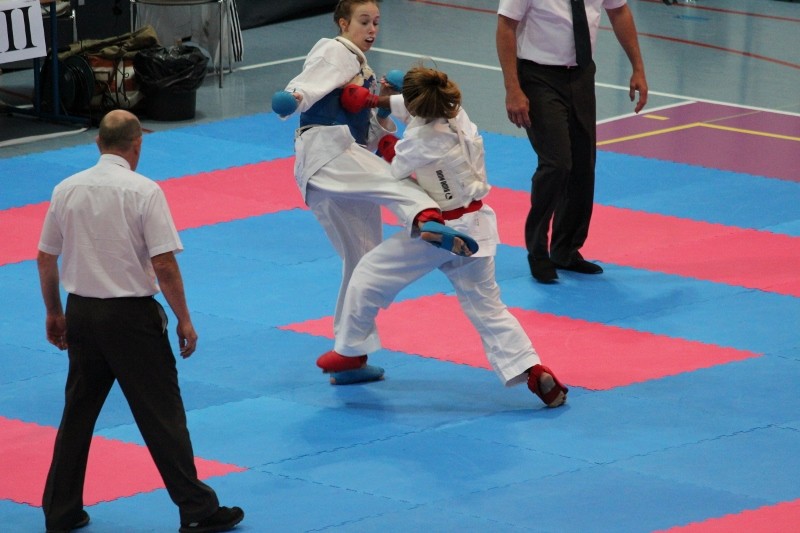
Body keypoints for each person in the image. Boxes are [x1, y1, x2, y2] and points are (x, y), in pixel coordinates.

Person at [37, 110, 244, 533]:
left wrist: (54, 312)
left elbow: (45, 257)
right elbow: (164, 263)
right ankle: (197, 509)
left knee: (78, 413)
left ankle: (60, 511)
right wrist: (184, 318)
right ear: (138, 144)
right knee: (161, 414)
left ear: (98, 143)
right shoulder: (144, 191)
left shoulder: (65, 188)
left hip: (82, 313)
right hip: (131, 319)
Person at [327, 66, 568, 407]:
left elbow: (396, 165)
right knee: (489, 310)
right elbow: (415, 107)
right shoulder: (456, 112)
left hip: (442, 229)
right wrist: (375, 101)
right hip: (479, 225)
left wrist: (378, 132)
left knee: (368, 273)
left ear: (414, 103)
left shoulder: (422, 140)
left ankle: (349, 351)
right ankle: (535, 372)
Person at [271, 0, 476, 382]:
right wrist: (294, 97)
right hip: (329, 151)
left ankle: (351, 353)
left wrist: (379, 107)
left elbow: (368, 135)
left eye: (377, 23)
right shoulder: (337, 50)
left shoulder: (363, 70)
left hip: (334, 168)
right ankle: (426, 218)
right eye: (364, 21)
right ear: (342, 23)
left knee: (362, 261)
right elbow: (311, 79)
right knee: (397, 182)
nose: (371, 30)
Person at [496, 0, 648, 283]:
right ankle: (537, 250)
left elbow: (619, 11)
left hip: (581, 75)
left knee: (582, 165)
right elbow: (506, 26)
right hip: (537, 75)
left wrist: (638, 67)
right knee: (556, 163)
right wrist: (512, 88)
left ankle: (565, 250)